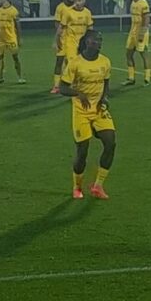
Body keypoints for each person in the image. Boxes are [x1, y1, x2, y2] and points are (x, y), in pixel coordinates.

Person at [58, 29, 117, 199]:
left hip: (98, 110)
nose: (99, 43)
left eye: (101, 40)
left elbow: (106, 82)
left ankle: (98, 186)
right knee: (82, 152)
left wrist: (104, 97)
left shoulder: (105, 61)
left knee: (110, 143)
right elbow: (62, 88)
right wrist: (78, 93)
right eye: (95, 40)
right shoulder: (76, 63)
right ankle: (77, 186)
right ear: (87, 42)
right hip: (81, 111)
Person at [49, 0, 90, 96]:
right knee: (68, 63)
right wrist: (56, 40)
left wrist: (90, 40)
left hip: (82, 43)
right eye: (76, 1)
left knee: (80, 64)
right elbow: (60, 26)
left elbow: (90, 28)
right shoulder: (67, 11)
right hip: (69, 42)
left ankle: (75, 84)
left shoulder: (87, 13)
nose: (77, 3)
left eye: (79, 1)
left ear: (84, 1)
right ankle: (58, 85)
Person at [120, 0, 151, 86]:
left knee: (143, 54)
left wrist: (143, 32)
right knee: (128, 54)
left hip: (140, 32)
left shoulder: (143, 2)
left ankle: (147, 79)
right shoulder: (132, 3)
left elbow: (147, 18)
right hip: (132, 32)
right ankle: (131, 78)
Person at [0, 0, 24, 84]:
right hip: (1, 39)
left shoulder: (13, 11)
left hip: (11, 39)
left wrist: (19, 38)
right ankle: (0, 78)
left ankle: (20, 77)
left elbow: (18, 26)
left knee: (15, 57)